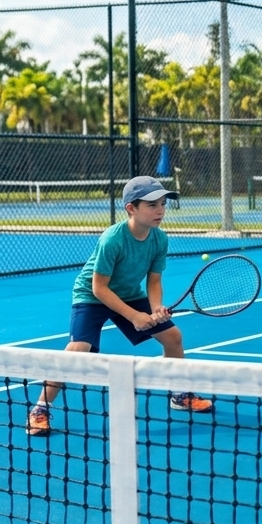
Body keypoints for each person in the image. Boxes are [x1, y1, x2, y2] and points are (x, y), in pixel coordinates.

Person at [27, 176, 214, 436]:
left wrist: (156, 307)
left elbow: (154, 280)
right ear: (131, 209)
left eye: (162, 203)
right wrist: (135, 316)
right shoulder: (112, 239)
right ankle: (40, 409)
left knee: (173, 336)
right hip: (91, 296)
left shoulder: (160, 239)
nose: (160, 210)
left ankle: (179, 393)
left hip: (128, 293)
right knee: (77, 349)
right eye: (151, 205)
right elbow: (99, 288)